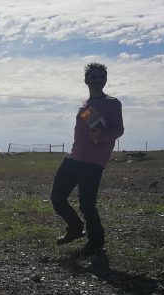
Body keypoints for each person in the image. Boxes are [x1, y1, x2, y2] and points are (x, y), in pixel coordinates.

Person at [51, 62, 124, 257]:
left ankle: (96, 243)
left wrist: (103, 136)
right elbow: (86, 131)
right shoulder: (85, 105)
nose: (98, 80)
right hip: (74, 157)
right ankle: (75, 228)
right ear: (86, 80)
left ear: (106, 80)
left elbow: (118, 129)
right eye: (93, 76)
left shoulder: (112, 103)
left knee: (87, 204)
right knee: (57, 198)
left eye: (101, 76)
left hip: (93, 161)